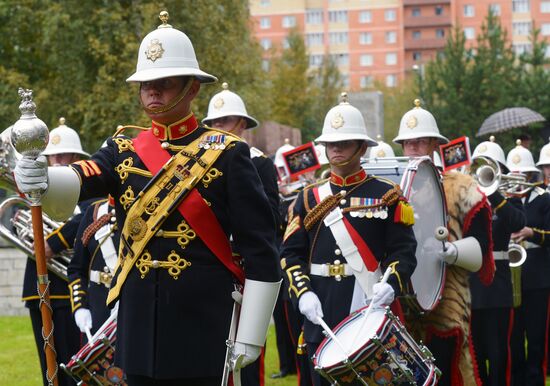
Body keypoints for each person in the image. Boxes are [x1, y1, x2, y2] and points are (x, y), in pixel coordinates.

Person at [14, 11, 281, 386]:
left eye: (165, 82)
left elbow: (261, 250)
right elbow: (82, 177)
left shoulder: (227, 153)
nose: (152, 92)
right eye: (145, 84)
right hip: (139, 325)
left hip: (203, 324)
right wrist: (41, 178)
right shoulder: (123, 147)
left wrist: (251, 334)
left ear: (192, 88)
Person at [280, 93, 418, 386]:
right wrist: (302, 293)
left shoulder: (387, 194)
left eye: (343, 143)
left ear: (361, 147)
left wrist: (391, 285)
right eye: (331, 143)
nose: (336, 149)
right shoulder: (308, 198)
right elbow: (290, 255)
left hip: (367, 304)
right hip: (321, 308)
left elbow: (403, 251)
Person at [393, 99, 494, 386]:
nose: (413, 147)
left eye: (420, 141)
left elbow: (482, 248)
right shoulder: (389, 187)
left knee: (447, 372)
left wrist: (451, 251)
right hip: (399, 303)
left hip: (447, 301)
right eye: (408, 142)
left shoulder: (462, 188)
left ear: (435, 144)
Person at [202, 82, 282, 386]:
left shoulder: (259, 162)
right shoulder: (196, 162)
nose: (220, 128)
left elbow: (272, 221)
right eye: (215, 123)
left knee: (244, 356)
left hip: (242, 269)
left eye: (226, 122)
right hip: (208, 268)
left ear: (242, 125)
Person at [20, 118, 92, 386]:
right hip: (37, 290)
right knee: (48, 372)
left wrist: (56, 241)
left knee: (74, 366)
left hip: (70, 290)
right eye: (53, 156)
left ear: (76, 157)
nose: (59, 161)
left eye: (65, 155)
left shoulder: (86, 192)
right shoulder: (33, 189)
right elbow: (22, 225)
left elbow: (89, 217)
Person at [469, 136, 526, 386]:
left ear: (501, 171)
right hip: (472, 284)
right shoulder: (469, 202)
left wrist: (494, 196)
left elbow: (517, 223)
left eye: (491, 166)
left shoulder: (508, 200)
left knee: (499, 350)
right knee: (477, 351)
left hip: (498, 284)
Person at [507, 140, 550, 386]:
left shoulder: (544, 199)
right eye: (514, 174)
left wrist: (531, 233)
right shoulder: (504, 201)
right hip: (511, 278)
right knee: (513, 337)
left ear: (532, 174)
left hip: (538, 276)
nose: (519, 178)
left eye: (523, 173)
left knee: (536, 337)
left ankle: (535, 380)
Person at [68, 195, 118, 336]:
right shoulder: (96, 212)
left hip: (136, 312)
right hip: (99, 313)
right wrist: (79, 307)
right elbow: (77, 269)